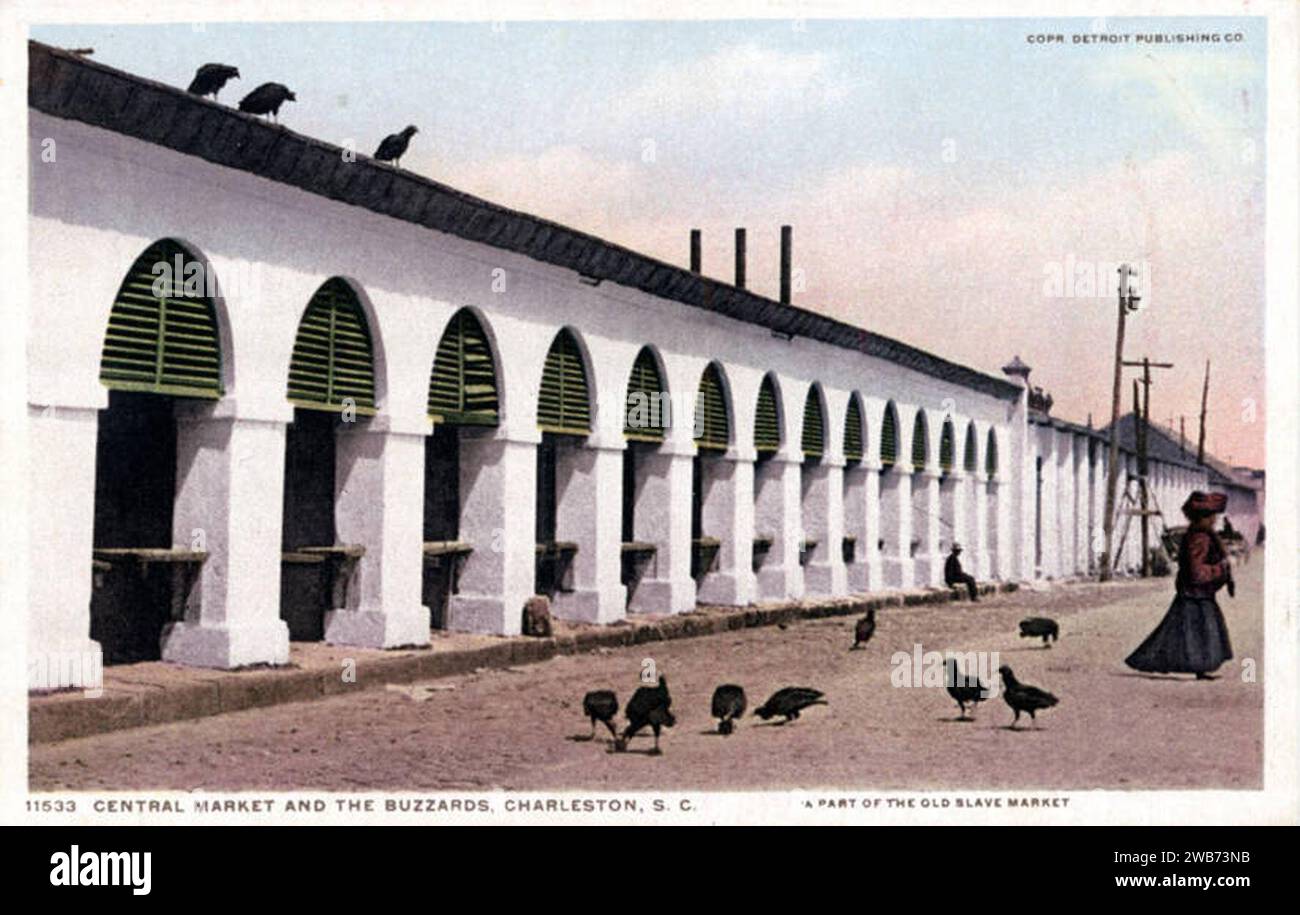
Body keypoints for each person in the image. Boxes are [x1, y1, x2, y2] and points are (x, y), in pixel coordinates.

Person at [1125, 491, 1234, 680]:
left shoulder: (1200, 534)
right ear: (1204, 518)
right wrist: (1220, 569)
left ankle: (1199, 669)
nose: (1215, 520)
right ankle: (1194, 667)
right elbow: (1197, 572)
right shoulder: (1200, 538)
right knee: (1192, 632)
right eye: (1212, 516)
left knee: (1192, 632)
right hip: (1194, 594)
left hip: (1196, 594)